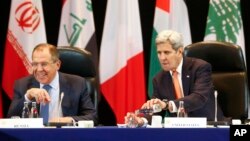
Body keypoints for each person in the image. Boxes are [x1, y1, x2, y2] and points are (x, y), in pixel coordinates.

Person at [125, 30, 225, 127]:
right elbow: (157, 111)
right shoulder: (159, 79)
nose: (162, 58)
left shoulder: (200, 68)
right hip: (179, 131)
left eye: (167, 52)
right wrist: (141, 120)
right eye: (159, 53)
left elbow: (199, 98)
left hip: (209, 127)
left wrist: (167, 104)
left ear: (180, 51)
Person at [7, 43, 97, 125]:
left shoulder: (77, 83)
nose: (38, 69)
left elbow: (92, 117)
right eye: (35, 64)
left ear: (57, 65)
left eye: (44, 64)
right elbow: (10, 117)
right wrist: (27, 97)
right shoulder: (22, 84)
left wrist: (70, 120)